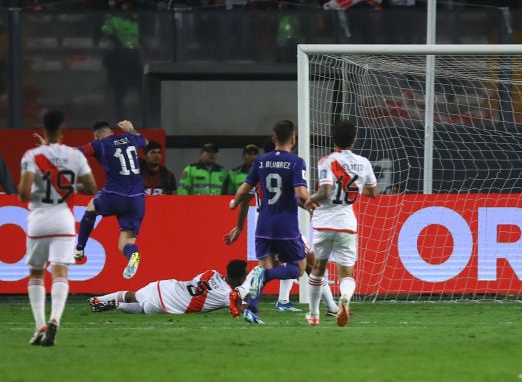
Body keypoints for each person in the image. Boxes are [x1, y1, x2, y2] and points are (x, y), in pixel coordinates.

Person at [19, 111, 98, 346]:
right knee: (60, 272)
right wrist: (68, 188)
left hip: (39, 221)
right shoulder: (74, 156)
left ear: (43, 129)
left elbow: (23, 193)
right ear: (64, 129)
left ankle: (40, 325)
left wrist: (44, 189)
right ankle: (55, 319)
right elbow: (92, 187)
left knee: (36, 273)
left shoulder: (32, 155)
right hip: (64, 220)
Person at [224, 120, 313, 325]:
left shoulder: (261, 161)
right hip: (286, 227)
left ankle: (252, 310)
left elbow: (245, 190)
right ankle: (265, 276)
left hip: (263, 225)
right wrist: (312, 205)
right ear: (293, 139)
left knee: (266, 266)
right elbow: (300, 194)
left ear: (274, 139)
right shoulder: (296, 162)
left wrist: (233, 204)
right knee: (298, 268)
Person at [304, 119, 379, 327]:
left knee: (318, 268)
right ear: (354, 140)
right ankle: (344, 298)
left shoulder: (326, 161)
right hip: (347, 223)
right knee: (346, 273)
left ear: (333, 140)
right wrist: (353, 188)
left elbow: (326, 191)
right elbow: (374, 192)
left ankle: (313, 315)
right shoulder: (363, 162)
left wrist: (311, 199)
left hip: (324, 222)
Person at [75, 120, 148, 280]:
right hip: (137, 200)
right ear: (111, 132)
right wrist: (131, 129)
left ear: (96, 136)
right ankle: (132, 256)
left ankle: (79, 249)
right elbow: (145, 141)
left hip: (115, 194)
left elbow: (76, 153)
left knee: (91, 208)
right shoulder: (131, 138)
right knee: (126, 243)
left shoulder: (99, 144)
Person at [90, 260, 249, 315]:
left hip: (165, 287)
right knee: (144, 309)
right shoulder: (227, 295)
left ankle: (96, 300)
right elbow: (242, 308)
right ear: (240, 277)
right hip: (169, 305)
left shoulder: (211, 273)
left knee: (133, 295)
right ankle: (118, 306)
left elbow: (196, 281)